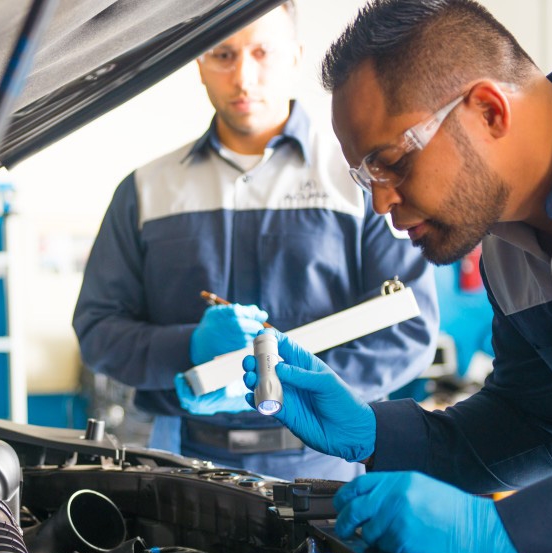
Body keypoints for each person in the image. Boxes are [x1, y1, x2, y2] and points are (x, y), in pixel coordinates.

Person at [243, 0, 552, 553]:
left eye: (390, 164)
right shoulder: (509, 253)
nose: (381, 204)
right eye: (366, 179)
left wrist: (504, 532)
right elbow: (537, 425)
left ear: (488, 109)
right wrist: (376, 432)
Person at [73, 2, 438, 482]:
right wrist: (189, 349)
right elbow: (99, 330)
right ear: (199, 63)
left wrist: (296, 390)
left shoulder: (361, 181)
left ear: (295, 58)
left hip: (324, 456)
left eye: (263, 52)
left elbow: (408, 329)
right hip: (180, 459)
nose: (243, 76)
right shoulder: (144, 191)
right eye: (222, 55)